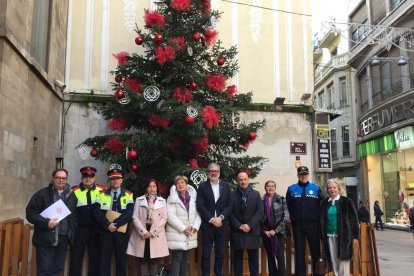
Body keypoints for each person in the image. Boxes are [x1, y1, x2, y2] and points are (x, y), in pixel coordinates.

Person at [26, 168, 77, 276]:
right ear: (53, 178)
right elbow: (30, 213)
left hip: (63, 238)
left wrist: (71, 231)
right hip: (45, 237)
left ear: (66, 179)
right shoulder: (41, 194)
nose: (61, 180)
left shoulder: (72, 196)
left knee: (57, 270)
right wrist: (46, 222)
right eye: (58, 177)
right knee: (44, 270)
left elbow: (74, 216)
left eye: (63, 178)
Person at [93, 168, 133, 276]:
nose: (115, 181)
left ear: (122, 180)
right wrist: (107, 224)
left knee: (121, 261)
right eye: (113, 178)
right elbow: (96, 211)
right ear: (109, 180)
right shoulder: (101, 194)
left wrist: (116, 224)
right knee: (104, 261)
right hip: (105, 232)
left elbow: (129, 213)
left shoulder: (129, 194)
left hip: (121, 232)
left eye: (118, 178)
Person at [196, 162, 233, 276]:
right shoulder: (202, 186)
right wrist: (212, 219)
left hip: (222, 225)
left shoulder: (226, 186)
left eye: (216, 171)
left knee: (220, 253)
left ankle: (218, 274)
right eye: (211, 171)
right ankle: (205, 274)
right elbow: (200, 205)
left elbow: (230, 204)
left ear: (219, 172)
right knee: (206, 253)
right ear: (208, 172)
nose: (213, 173)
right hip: (208, 225)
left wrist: (220, 218)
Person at [286, 166, 323, 276]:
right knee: (299, 251)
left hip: (313, 225)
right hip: (297, 225)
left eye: (305, 174)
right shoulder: (291, 189)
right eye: (301, 174)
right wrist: (293, 220)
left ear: (308, 175)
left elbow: (321, 207)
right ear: (298, 175)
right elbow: (288, 207)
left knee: (315, 251)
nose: (303, 176)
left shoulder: (316, 188)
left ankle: (317, 273)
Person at [127, 179, 169, 276]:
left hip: (155, 234)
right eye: (150, 186)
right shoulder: (139, 200)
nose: (152, 188)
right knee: (143, 260)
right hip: (142, 233)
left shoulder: (162, 201)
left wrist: (153, 232)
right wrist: (144, 232)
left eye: (154, 186)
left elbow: (164, 218)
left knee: (154, 260)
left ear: (157, 188)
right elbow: (135, 217)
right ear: (146, 188)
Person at [69, 166, 105, 276]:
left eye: (90, 176)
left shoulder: (102, 190)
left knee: (95, 258)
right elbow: (71, 211)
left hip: (95, 230)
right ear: (81, 177)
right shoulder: (74, 191)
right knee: (76, 258)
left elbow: (105, 210)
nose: (88, 179)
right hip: (79, 229)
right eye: (85, 176)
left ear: (94, 177)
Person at [320, 179, 359, 276]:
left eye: (334, 187)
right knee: (333, 260)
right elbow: (321, 220)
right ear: (327, 190)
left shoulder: (346, 201)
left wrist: (355, 236)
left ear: (338, 189)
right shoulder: (324, 203)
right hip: (329, 235)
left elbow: (354, 219)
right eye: (329, 188)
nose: (332, 190)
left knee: (343, 260)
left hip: (344, 237)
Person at [229, 172, 264, 276]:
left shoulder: (256, 194)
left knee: (253, 259)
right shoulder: (232, 194)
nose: (243, 182)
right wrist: (239, 225)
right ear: (237, 181)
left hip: (252, 231)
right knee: (237, 259)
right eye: (240, 179)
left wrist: (249, 225)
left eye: (245, 179)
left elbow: (260, 212)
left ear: (248, 180)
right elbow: (229, 212)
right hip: (237, 231)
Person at [166, 175, 202, 276]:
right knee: (177, 258)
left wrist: (194, 227)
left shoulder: (193, 198)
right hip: (177, 232)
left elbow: (198, 214)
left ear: (186, 184)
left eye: (182, 182)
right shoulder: (171, 198)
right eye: (177, 183)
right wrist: (183, 229)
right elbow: (170, 216)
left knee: (185, 258)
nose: (180, 184)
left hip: (190, 233)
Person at [261, 180, 289, 276]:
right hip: (266, 233)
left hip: (279, 233)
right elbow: (259, 217)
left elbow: (286, 216)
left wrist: (276, 230)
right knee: (270, 257)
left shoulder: (281, 199)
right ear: (265, 188)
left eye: (272, 186)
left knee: (280, 257)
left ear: (275, 188)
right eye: (268, 186)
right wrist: (265, 231)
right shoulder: (261, 201)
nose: (270, 188)